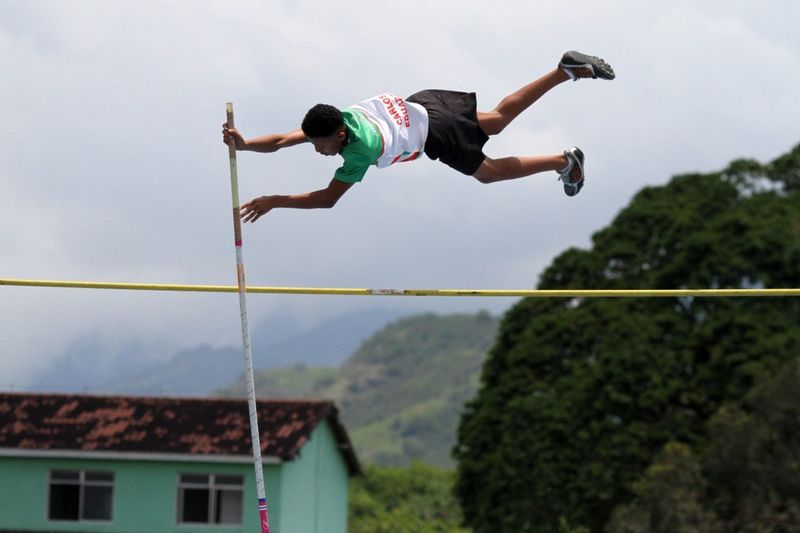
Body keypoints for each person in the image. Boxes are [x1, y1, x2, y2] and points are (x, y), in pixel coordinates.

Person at [223, 51, 615, 223]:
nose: (318, 150)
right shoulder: (337, 118)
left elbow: (327, 200)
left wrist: (275, 201)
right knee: (495, 119)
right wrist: (245, 143)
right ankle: (564, 70)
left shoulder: (360, 150)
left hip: (435, 132)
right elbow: (279, 141)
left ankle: (565, 162)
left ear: (339, 135)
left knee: (489, 173)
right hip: (426, 103)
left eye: (321, 145)